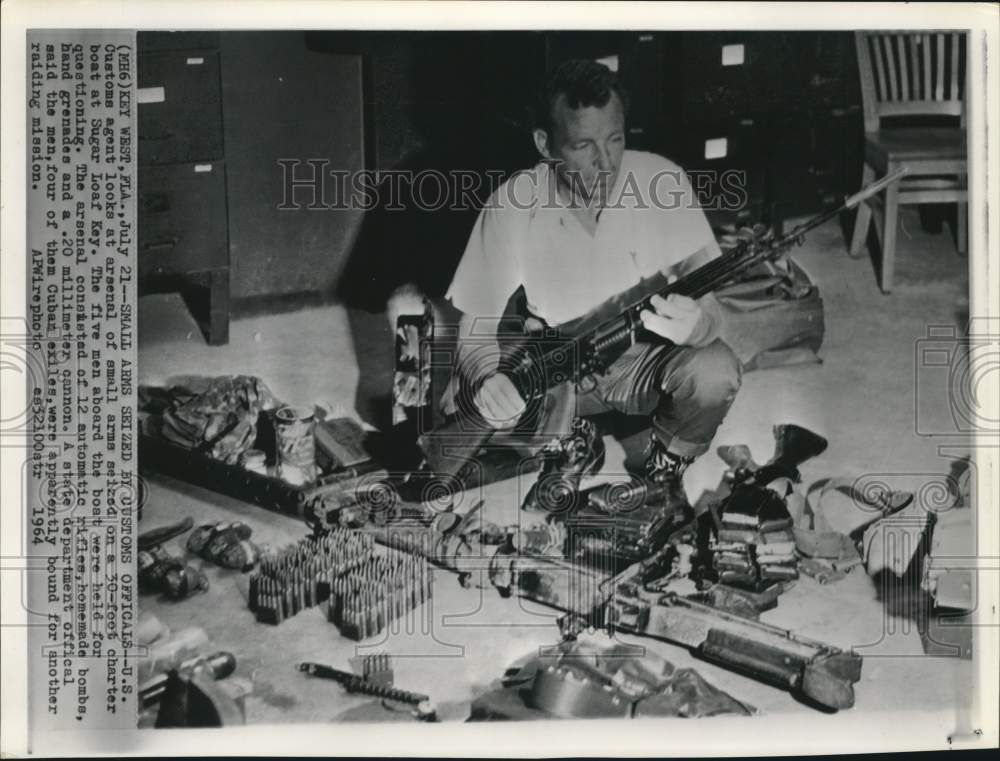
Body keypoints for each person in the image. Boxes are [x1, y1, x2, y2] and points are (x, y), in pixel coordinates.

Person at [440, 59, 742, 507]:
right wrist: (488, 380)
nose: (606, 163)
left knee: (715, 371)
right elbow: (474, 332)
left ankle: (664, 466)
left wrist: (699, 326)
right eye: (582, 146)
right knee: (461, 403)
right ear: (545, 144)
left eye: (615, 139)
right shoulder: (512, 205)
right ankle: (573, 443)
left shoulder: (662, 182)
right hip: (554, 364)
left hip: (643, 361)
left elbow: (715, 311)